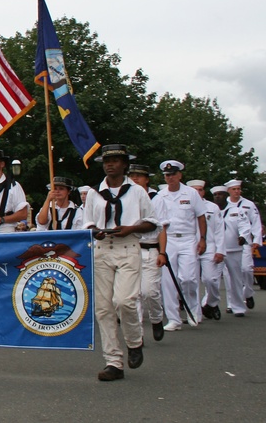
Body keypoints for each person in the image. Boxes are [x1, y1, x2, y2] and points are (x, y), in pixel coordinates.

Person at [82, 144, 157, 382]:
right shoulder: (95, 193)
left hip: (128, 247)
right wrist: (95, 231)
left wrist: (131, 228)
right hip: (103, 250)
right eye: (107, 161)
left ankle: (134, 342)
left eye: (115, 160)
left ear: (125, 164)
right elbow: (87, 224)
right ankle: (113, 361)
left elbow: (153, 222)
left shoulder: (137, 192)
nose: (110, 164)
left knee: (124, 301)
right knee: (103, 308)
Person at [156, 160, 207, 331]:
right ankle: (174, 319)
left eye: (173, 174)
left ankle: (193, 312)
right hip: (168, 239)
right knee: (168, 281)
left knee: (188, 278)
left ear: (180, 175)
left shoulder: (191, 193)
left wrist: (203, 239)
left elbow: (200, 216)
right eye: (167, 175)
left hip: (188, 239)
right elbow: (157, 222)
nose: (170, 178)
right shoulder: (160, 196)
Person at [127, 164, 168, 341]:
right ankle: (138, 336)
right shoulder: (127, 197)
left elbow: (162, 229)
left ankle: (157, 318)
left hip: (151, 248)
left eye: (139, 176)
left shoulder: (156, 199)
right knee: (134, 294)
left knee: (149, 292)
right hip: (133, 248)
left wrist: (163, 252)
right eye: (132, 175)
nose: (135, 179)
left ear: (147, 179)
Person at [224, 180, 262, 310]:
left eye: (238, 189)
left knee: (246, 269)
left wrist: (256, 239)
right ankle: (231, 303)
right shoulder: (224, 204)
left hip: (244, 242)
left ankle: (248, 293)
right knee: (229, 274)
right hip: (228, 243)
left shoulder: (248, 205)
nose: (237, 191)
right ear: (228, 190)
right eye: (234, 189)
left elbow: (256, 222)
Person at [191, 181, 224, 321]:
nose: (198, 192)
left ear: (204, 192)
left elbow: (219, 231)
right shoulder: (185, 206)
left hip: (209, 246)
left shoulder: (212, 207)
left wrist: (220, 250)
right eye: (195, 190)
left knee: (210, 279)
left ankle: (212, 303)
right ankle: (195, 314)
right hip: (190, 246)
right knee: (191, 281)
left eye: (201, 190)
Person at [219, 183, 253, 317]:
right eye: (216, 195)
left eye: (220, 195)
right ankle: (210, 303)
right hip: (217, 250)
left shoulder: (237, 210)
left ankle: (238, 307)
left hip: (234, 249)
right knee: (211, 279)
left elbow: (245, 225)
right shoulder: (211, 210)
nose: (218, 197)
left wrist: (243, 236)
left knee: (236, 279)